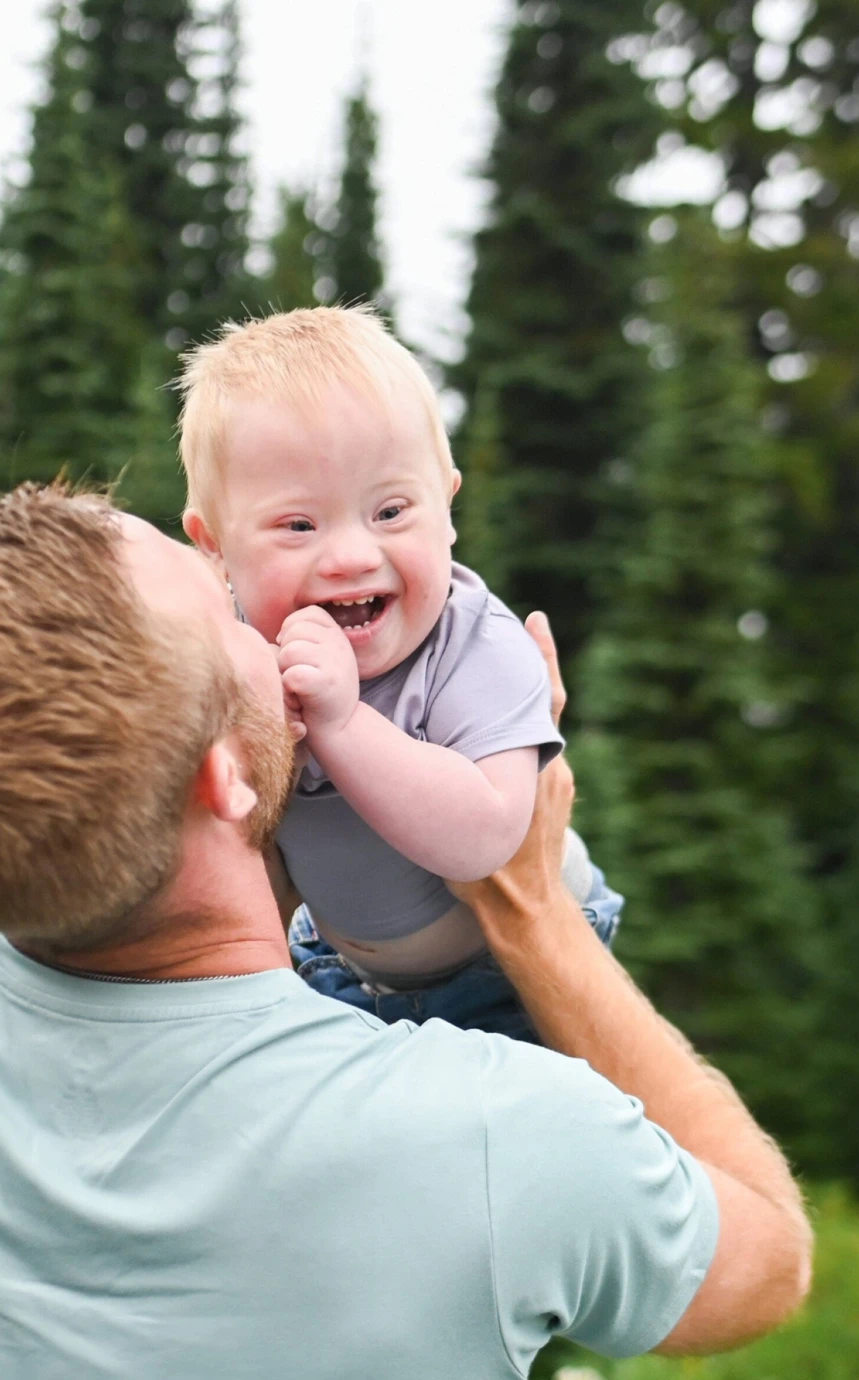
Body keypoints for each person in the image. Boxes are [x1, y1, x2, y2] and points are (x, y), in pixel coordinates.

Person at [0, 481, 811, 1380]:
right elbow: (770, 1257)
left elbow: (179, 908)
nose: (267, 615)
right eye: (223, 609)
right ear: (222, 779)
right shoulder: (487, 1136)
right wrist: (529, 905)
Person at [178, 305, 621, 1042]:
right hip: (339, 965)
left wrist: (342, 724)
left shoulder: (476, 644)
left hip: (502, 974)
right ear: (215, 547)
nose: (352, 555)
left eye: (389, 511)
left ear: (447, 508)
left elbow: (486, 839)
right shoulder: (240, 656)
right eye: (299, 526)